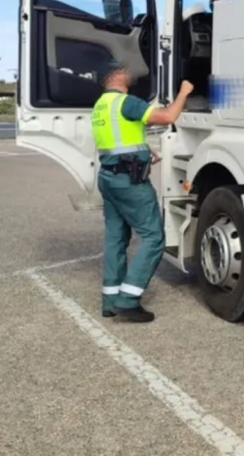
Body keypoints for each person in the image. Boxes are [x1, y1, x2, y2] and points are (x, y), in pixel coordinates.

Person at [91, 60, 194, 323]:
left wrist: (145, 153)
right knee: (153, 237)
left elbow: (118, 141)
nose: (131, 74)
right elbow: (168, 117)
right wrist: (183, 92)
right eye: (127, 70)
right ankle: (128, 299)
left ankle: (110, 301)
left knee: (115, 238)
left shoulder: (101, 105)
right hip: (129, 183)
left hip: (109, 179)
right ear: (116, 75)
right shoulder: (127, 102)